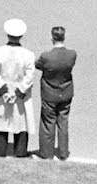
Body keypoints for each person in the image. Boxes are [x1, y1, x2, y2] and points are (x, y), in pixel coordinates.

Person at [0, 19, 37, 158]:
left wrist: (3, 91)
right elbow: (29, 76)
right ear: (21, 36)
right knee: (20, 124)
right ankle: (20, 152)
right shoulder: (29, 54)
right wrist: (19, 92)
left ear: (7, 35)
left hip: (3, 93)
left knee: (0, 122)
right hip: (19, 95)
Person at [36, 26, 77, 161]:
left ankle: (46, 153)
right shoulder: (72, 54)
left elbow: (38, 65)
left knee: (48, 123)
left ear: (52, 38)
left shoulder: (46, 56)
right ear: (64, 37)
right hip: (66, 93)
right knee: (63, 123)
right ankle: (63, 153)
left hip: (49, 93)